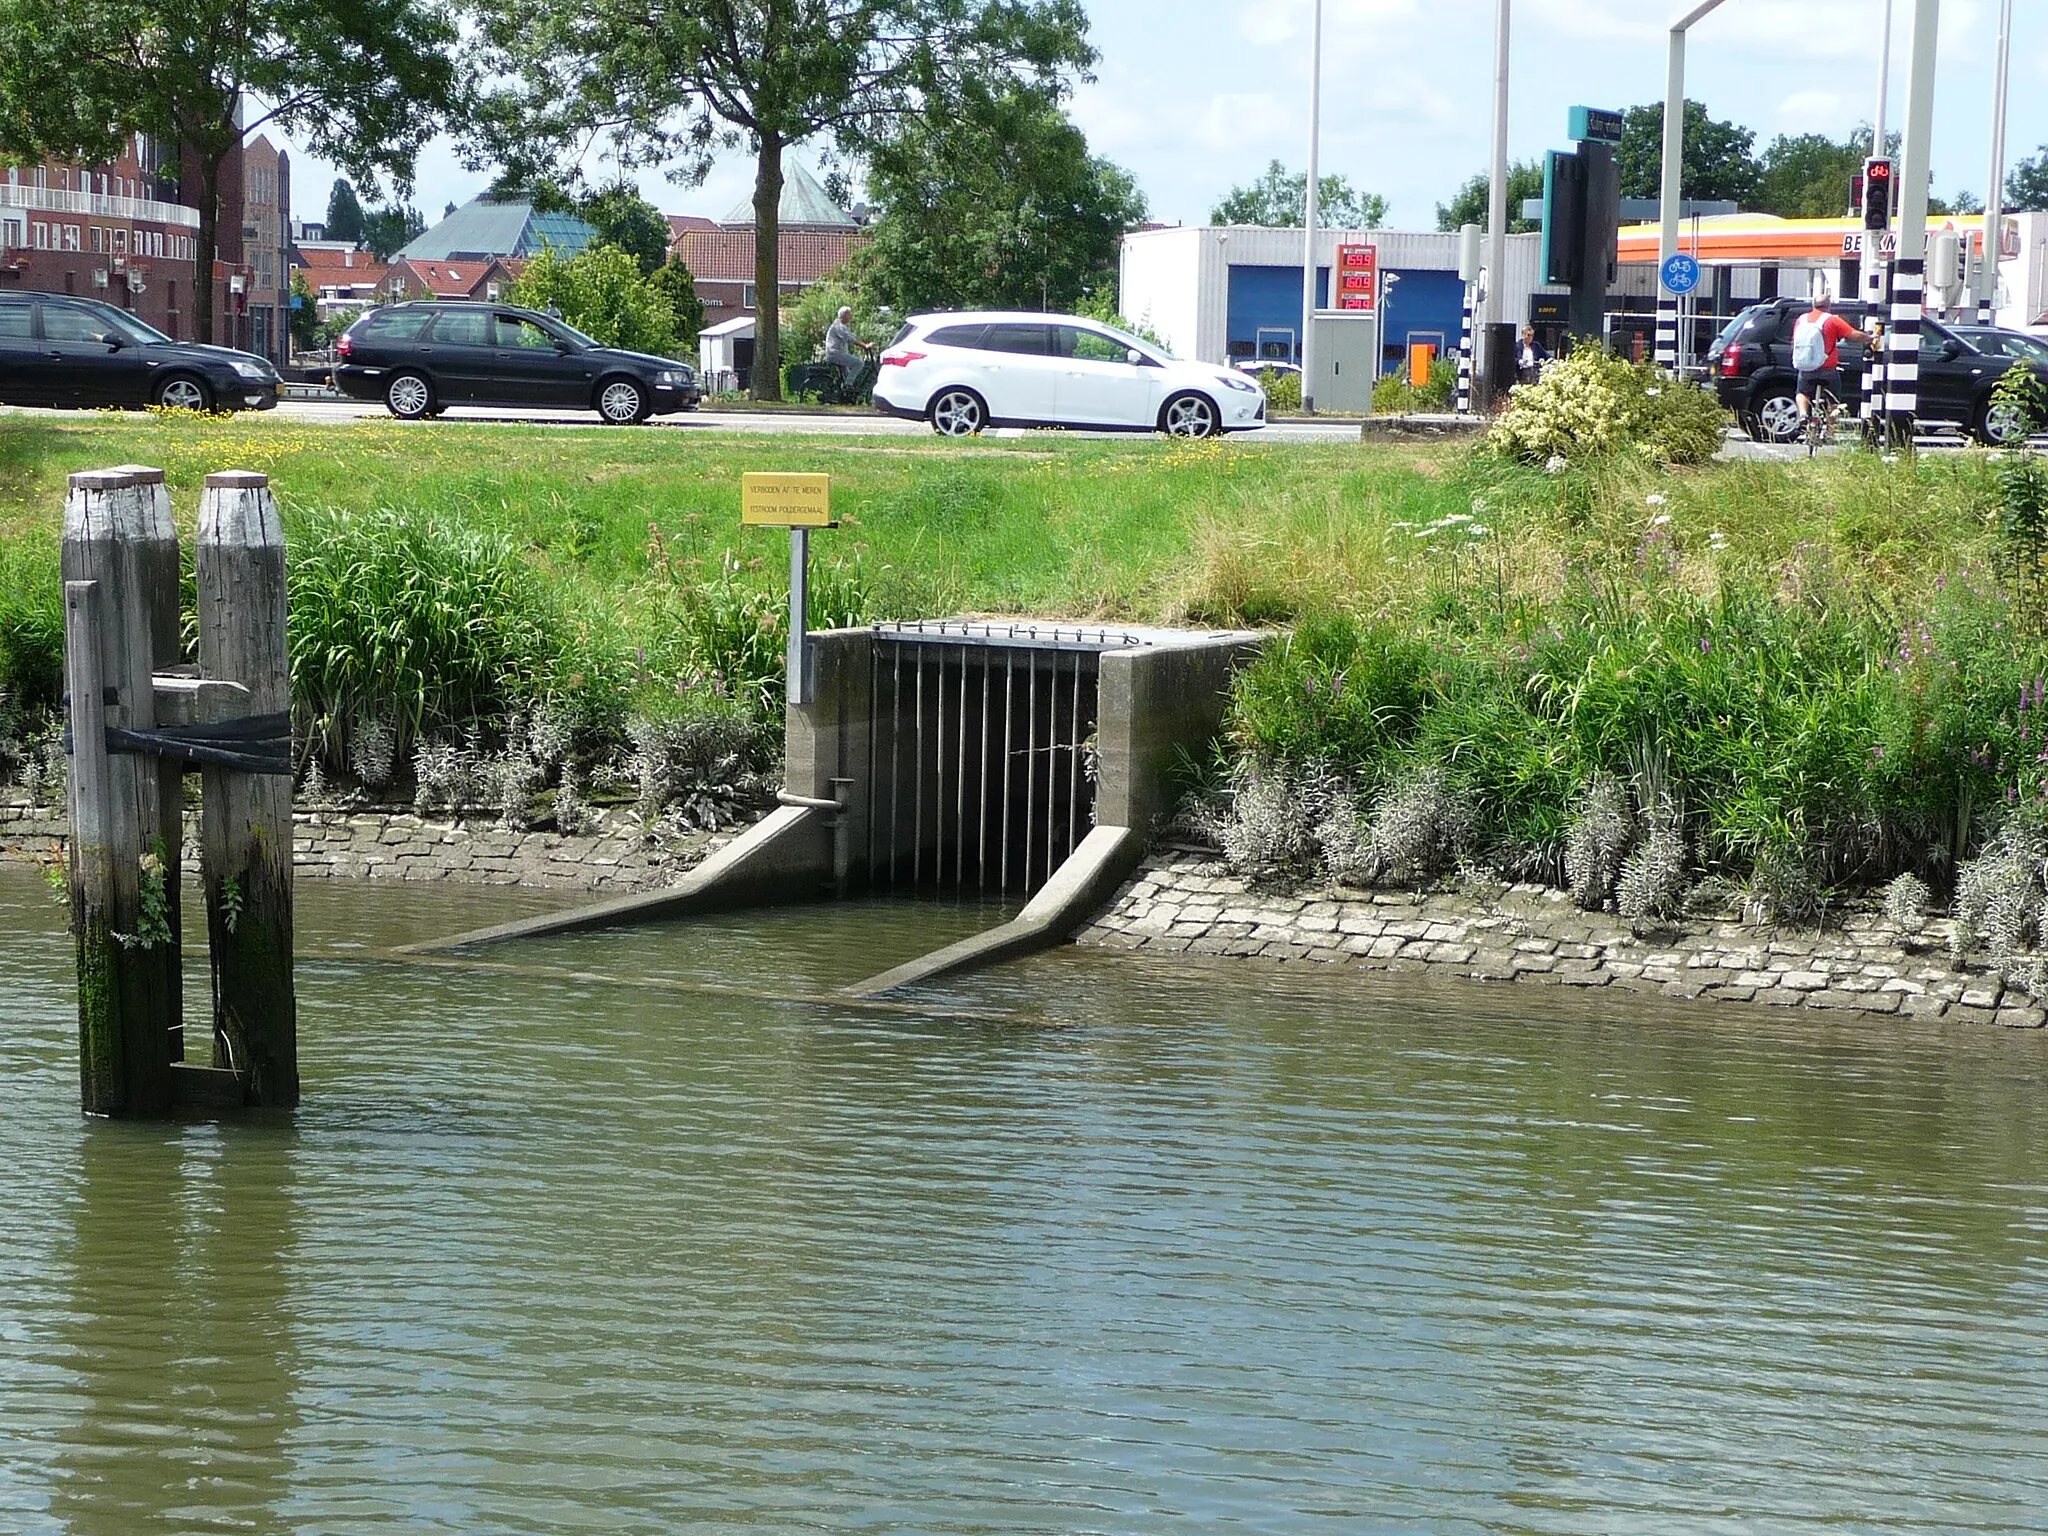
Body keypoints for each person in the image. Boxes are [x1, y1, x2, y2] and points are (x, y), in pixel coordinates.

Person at [1791, 292, 1870, 424]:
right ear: (1829, 306)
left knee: (1801, 392)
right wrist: (1869, 338)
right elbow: (1853, 335)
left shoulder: (1801, 320)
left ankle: (1804, 414)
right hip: (1827, 369)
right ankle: (1829, 430)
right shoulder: (1831, 320)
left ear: (1813, 305)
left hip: (1806, 367)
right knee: (1833, 401)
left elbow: (1794, 342)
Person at [824, 306, 871, 386]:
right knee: (859, 363)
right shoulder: (838, 326)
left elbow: (853, 337)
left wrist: (864, 344)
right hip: (835, 354)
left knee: (847, 375)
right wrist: (865, 346)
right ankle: (847, 386)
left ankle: (844, 393)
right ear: (844, 315)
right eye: (849, 315)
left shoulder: (841, 326)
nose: (850, 317)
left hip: (838, 353)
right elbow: (849, 338)